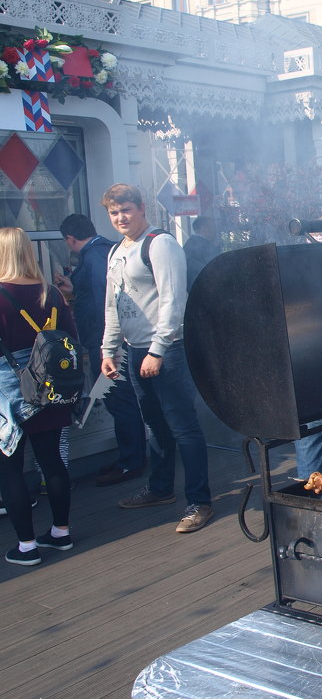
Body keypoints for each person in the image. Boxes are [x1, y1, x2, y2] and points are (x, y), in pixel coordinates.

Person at [100, 184, 214, 534]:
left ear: (141, 208)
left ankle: (200, 501)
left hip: (167, 351)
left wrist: (158, 349)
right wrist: (108, 348)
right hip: (135, 351)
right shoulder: (117, 251)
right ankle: (161, 489)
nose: (120, 217)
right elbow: (114, 303)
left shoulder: (159, 243)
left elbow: (172, 301)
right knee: (155, 425)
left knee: (183, 427)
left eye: (126, 210)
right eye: (114, 212)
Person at [0, 228, 76, 565]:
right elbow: (71, 337)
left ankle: (26, 547)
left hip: (10, 386)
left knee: (10, 468)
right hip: (51, 385)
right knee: (51, 461)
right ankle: (61, 533)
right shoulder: (53, 293)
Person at [55, 214, 147, 487]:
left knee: (119, 400)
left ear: (70, 239)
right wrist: (74, 289)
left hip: (105, 342)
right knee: (122, 400)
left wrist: (107, 346)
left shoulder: (94, 257)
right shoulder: (106, 250)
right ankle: (130, 457)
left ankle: (131, 462)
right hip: (112, 340)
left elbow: (104, 303)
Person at [182, 216, 221, 292]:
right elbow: (213, 269)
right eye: (213, 226)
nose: (215, 230)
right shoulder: (201, 246)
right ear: (204, 228)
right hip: (204, 290)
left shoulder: (192, 243)